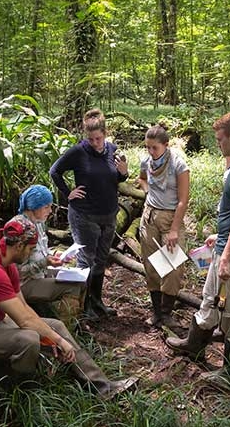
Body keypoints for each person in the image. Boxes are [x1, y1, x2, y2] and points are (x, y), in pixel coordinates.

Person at [0, 216, 137, 396]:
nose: (31, 253)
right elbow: (24, 320)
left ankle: (102, 387)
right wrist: (58, 341)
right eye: (30, 249)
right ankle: (22, 393)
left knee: (56, 326)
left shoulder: (8, 265)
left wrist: (52, 337)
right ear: (19, 246)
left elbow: (24, 309)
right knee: (28, 339)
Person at [166, 112, 230, 386]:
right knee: (210, 298)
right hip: (228, 245)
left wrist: (226, 256)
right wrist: (219, 237)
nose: (218, 144)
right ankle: (193, 344)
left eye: (220, 140)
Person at [50, 108, 129, 319]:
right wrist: (68, 193)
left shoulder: (113, 150)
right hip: (84, 215)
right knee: (87, 259)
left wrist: (124, 173)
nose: (95, 143)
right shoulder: (78, 151)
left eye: (98, 138)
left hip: (109, 215)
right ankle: (84, 307)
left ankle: (97, 302)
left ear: (105, 134)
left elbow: (116, 179)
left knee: (101, 260)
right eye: (91, 139)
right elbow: (54, 171)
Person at [137, 124, 190, 329]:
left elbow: (184, 200)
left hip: (170, 218)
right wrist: (148, 191)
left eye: (155, 148)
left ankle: (167, 313)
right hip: (149, 216)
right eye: (148, 147)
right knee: (151, 265)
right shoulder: (146, 161)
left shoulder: (178, 164)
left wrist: (175, 229)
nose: (151, 152)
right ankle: (157, 312)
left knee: (173, 266)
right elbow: (141, 179)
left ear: (166, 145)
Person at [14, 185, 86, 311]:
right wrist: (45, 262)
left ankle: (79, 320)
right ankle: (67, 326)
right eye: (46, 207)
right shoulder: (19, 229)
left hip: (40, 274)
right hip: (23, 284)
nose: (50, 211)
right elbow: (17, 272)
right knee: (72, 287)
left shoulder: (38, 223)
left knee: (81, 279)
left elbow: (41, 251)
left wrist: (54, 255)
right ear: (33, 207)